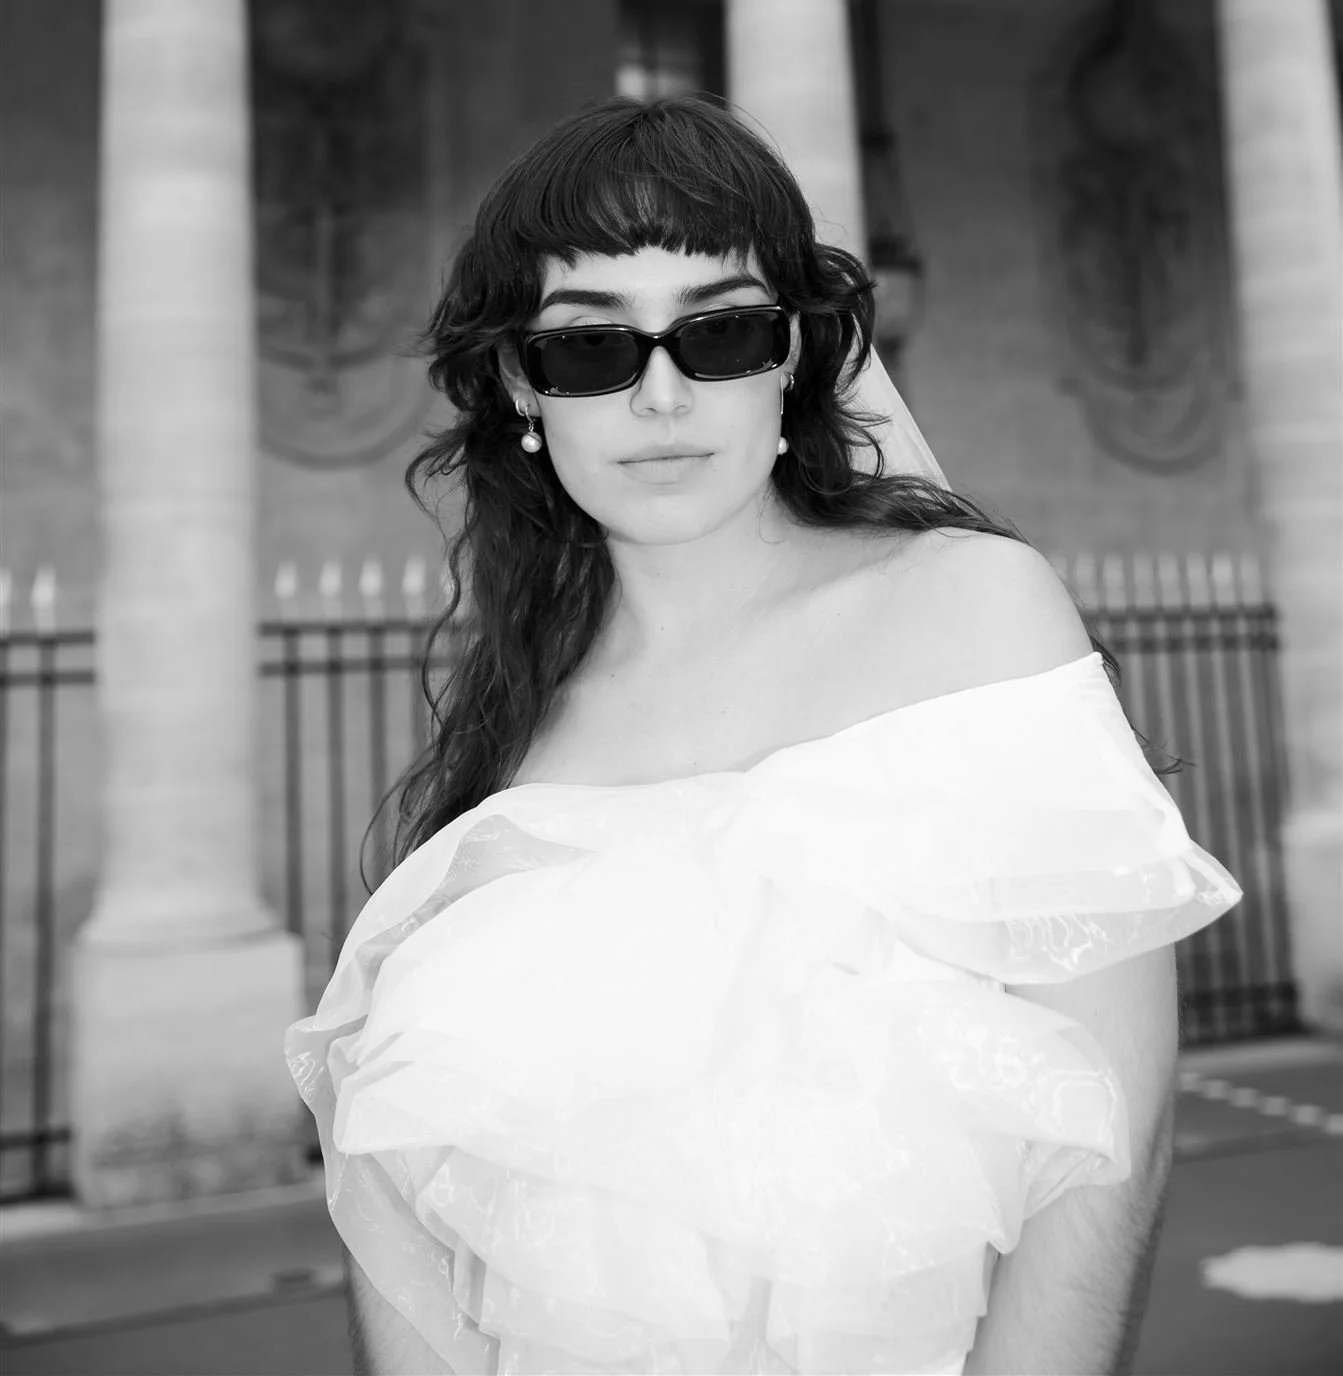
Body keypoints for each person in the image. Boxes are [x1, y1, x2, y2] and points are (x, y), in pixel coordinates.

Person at [286, 94, 1241, 1376]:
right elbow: (409, 1201)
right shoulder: (515, 735)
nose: (661, 395)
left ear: (790, 352)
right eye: (590, 347)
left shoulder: (965, 609)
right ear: (520, 382)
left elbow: (1112, 1141)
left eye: (719, 331)